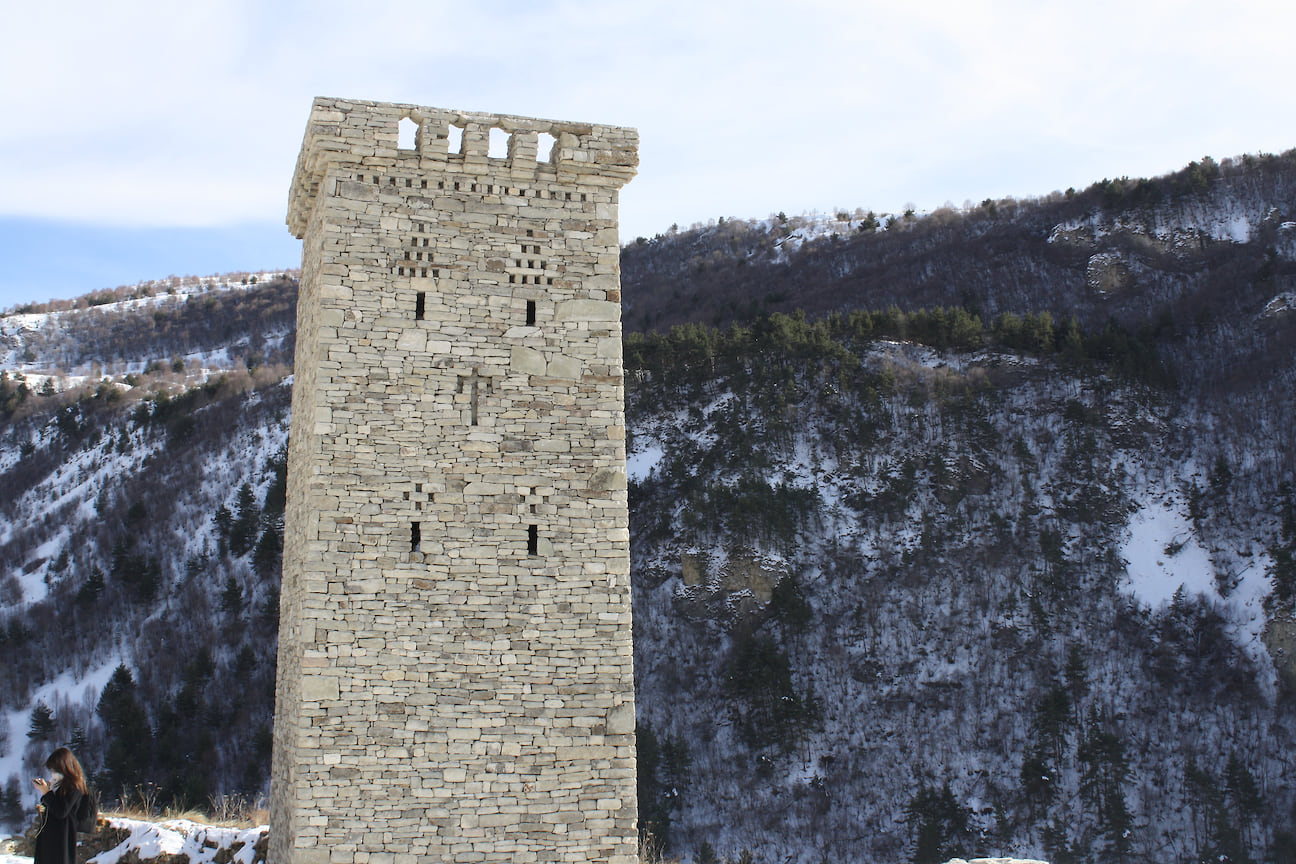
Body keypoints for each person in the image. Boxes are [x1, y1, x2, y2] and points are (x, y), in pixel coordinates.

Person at [31, 747, 87, 864]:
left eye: (55, 769)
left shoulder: (73, 786)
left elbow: (61, 811)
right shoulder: (58, 784)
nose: (52, 773)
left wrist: (46, 792)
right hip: (50, 837)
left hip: (61, 838)